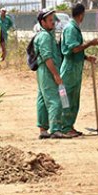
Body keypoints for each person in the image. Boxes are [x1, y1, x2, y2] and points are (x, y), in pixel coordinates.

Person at [60, 4, 98, 137]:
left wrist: (87, 57)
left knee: (73, 99)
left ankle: (69, 126)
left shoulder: (74, 28)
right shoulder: (71, 29)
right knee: (67, 98)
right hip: (70, 69)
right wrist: (90, 43)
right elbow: (74, 49)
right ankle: (65, 127)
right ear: (81, 14)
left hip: (76, 68)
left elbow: (77, 51)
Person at [34, 9, 72, 139]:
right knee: (55, 100)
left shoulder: (46, 35)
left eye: (53, 20)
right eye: (50, 20)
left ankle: (43, 129)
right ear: (42, 22)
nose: (53, 22)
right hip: (47, 71)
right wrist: (56, 75)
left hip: (43, 71)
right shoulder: (44, 36)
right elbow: (47, 58)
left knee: (42, 100)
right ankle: (55, 129)